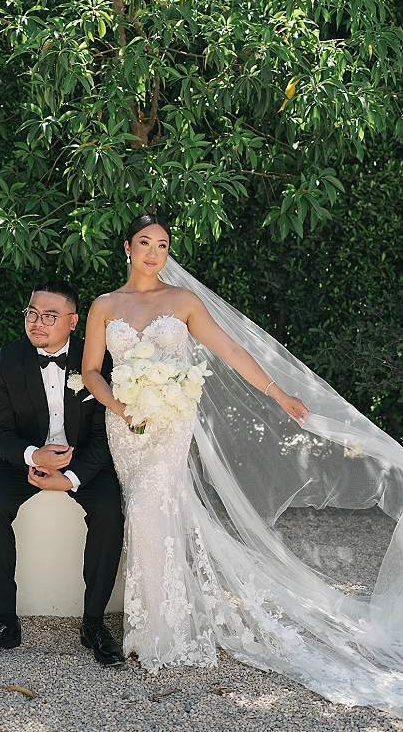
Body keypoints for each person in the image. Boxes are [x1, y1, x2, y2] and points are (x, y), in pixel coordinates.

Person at [81, 213, 403, 717]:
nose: (153, 252)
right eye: (144, 242)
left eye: (163, 244)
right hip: (126, 424)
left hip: (169, 424)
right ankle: (157, 625)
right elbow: (91, 371)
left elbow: (229, 349)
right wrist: (124, 408)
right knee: (149, 514)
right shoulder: (104, 305)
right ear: (126, 247)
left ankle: (159, 633)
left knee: (147, 510)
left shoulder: (182, 302)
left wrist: (278, 394)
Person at [0, 280, 125, 666]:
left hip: (84, 461)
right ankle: (3, 622)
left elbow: (103, 434)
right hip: (23, 459)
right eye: (32, 313)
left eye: (49, 316)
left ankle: (94, 623)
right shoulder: (5, 360)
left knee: (109, 509)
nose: (37, 322)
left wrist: (71, 478)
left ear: (72, 322)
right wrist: (35, 456)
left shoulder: (96, 361)